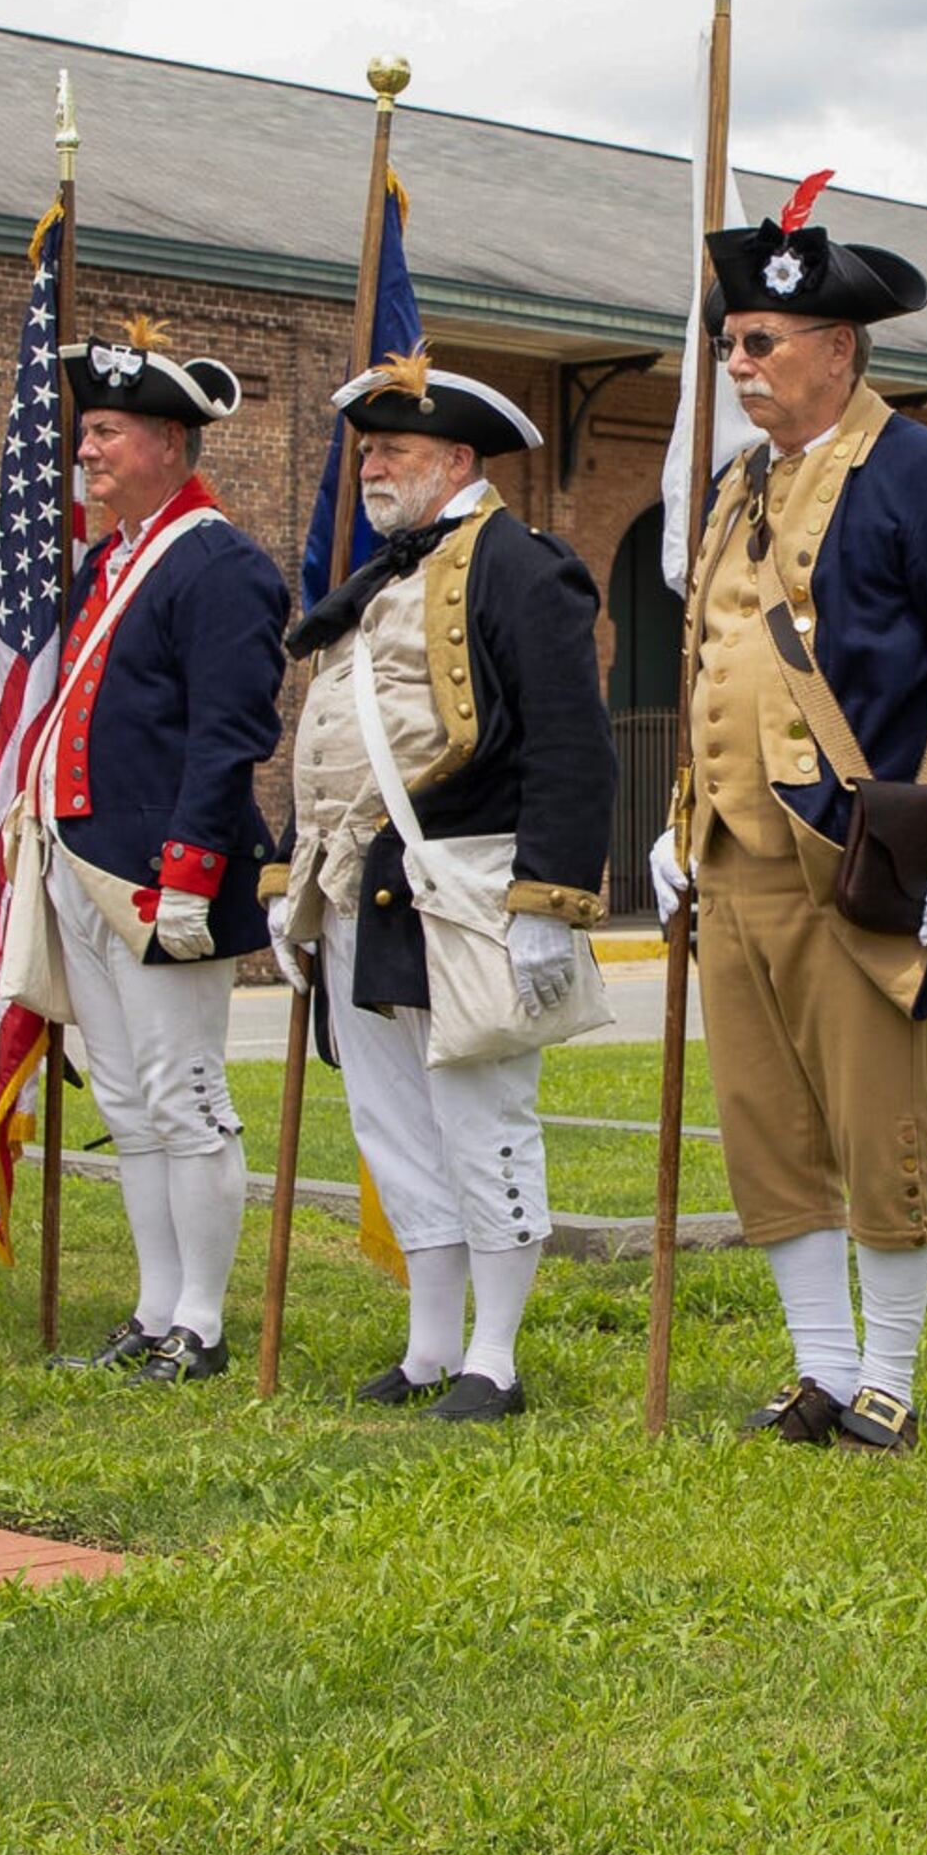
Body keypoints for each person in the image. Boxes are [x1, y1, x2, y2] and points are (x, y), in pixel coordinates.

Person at [644, 174, 927, 1454]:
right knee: (767, 1125)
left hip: (859, 855)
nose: (738, 365)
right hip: (734, 857)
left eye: (760, 343)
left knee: (877, 1122)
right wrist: (679, 819)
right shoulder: (736, 484)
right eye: (729, 342)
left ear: (838, 348)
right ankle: (818, 1367)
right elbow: (707, 660)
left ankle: (891, 1378)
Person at [270, 357, 615, 1420]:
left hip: (463, 883)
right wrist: (292, 877)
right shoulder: (377, 579)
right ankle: (429, 1348)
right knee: (392, 1127)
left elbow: (571, 741)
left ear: (457, 460)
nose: (373, 468)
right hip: (356, 886)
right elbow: (331, 737)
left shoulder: (521, 566)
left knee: (482, 1120)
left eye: (395, 452)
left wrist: (549, 899)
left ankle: (496, 1358)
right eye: (367, 451)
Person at [31, 324, 290, 1387]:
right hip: (86, 862)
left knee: (185, 1098)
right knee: (128, 1103)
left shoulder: (219, 562)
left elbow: (229, 731)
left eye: (106, 432)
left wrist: (190, 869)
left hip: (159, 877)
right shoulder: (111, 560)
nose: (84, 452)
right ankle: (152, 1304)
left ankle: (205, 1322)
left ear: (171, 442)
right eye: (83, 433)